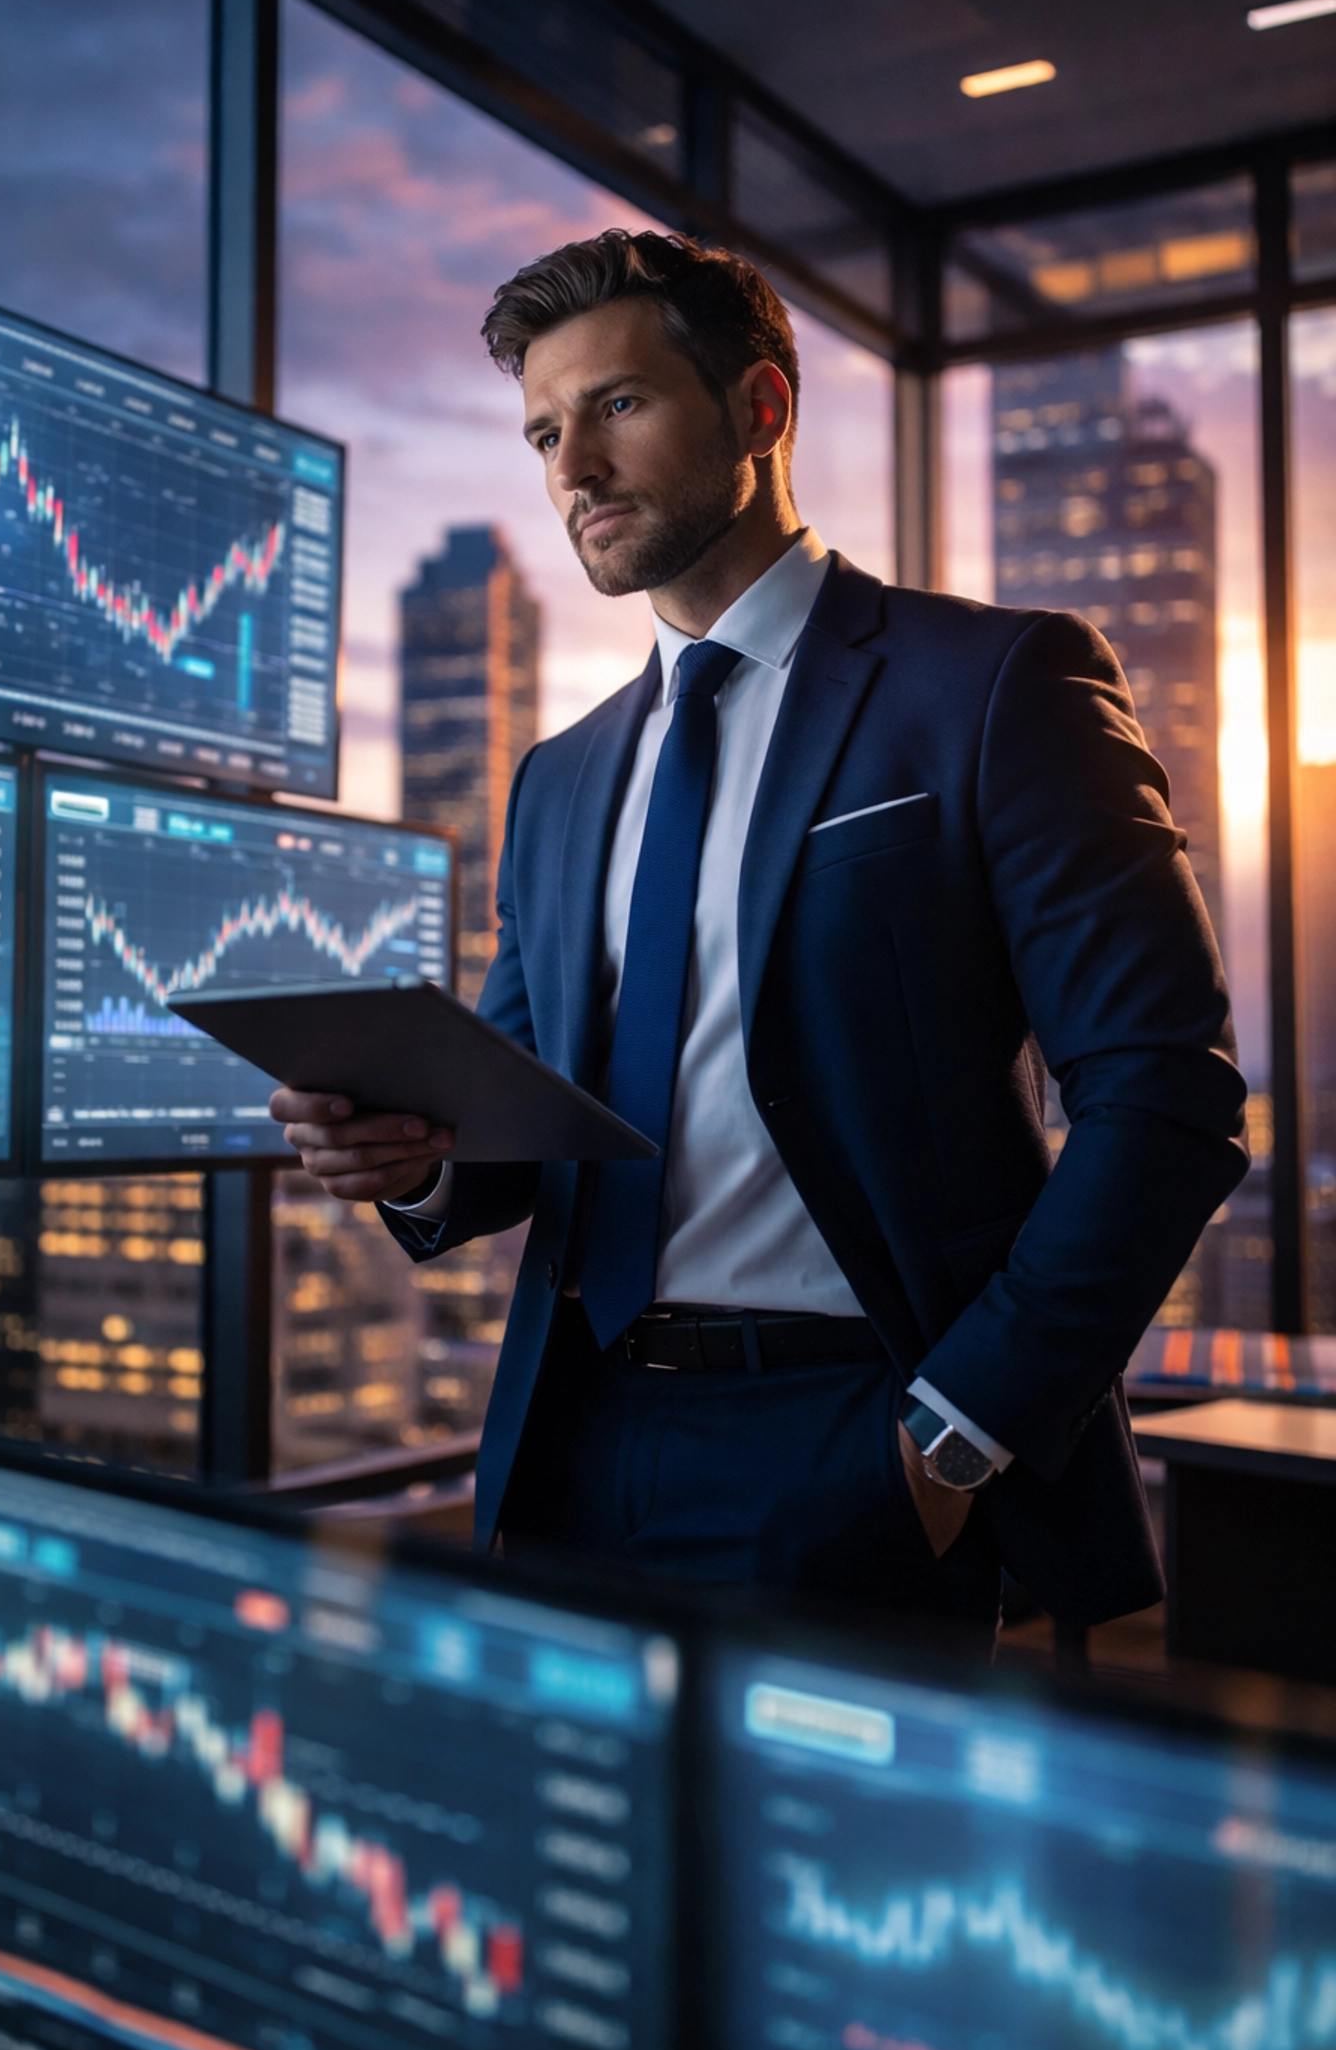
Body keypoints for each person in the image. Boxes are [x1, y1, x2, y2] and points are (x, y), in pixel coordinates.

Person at [273, 230, 1247, 1638]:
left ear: (761, 407)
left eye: (617, 406)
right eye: (544, 431)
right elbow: (522, 1114)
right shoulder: (558, 778)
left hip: (864, 1433)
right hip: (572, 1445)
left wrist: (954, 1435)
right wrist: (412, 1165)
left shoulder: (991, 686)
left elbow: (1168, 1095)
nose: (573, 469)